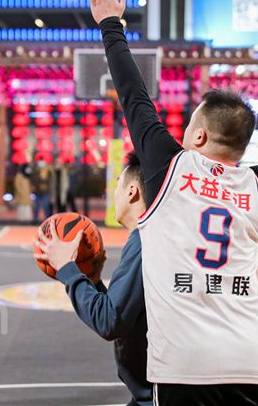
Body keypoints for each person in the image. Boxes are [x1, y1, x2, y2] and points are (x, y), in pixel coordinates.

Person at [89, 0, 258, 405]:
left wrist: (110, 24)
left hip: (184, 369)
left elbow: (133, 94)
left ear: (197, 136)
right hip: (251, 365)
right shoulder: (255, 184)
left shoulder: (170, 167)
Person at [35, 153, 152, 405]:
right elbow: (124, 315)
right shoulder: (149, 236)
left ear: (132, 192)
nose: (114, 193)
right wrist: (95, 281)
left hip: (159, 394)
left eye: (118, 184)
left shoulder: (145, 240)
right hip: (151, 390)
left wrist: (67, 268)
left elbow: (109, 321)